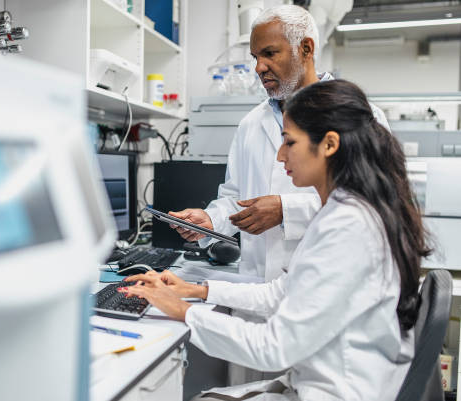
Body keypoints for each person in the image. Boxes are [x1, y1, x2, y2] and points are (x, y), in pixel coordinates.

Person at [120, 79, 431, 400]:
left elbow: (273, 348)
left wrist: (182, 310)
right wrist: (196, 290)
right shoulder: (347, 210)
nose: (281, 156)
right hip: (328, 380)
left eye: (289, 142)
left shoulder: (348, 227)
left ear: (329, 144)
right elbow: (280, 292)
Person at [169, 5, 389, 282]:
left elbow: (373, 206)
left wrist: (286, 210)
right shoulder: (250, 123)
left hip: (327, 283)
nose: (259, 67)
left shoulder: (360, 117)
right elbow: (236, 196)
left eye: (270, 54)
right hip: (256, 284)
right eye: (255, 57)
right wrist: (211, 220)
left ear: (306, 49)